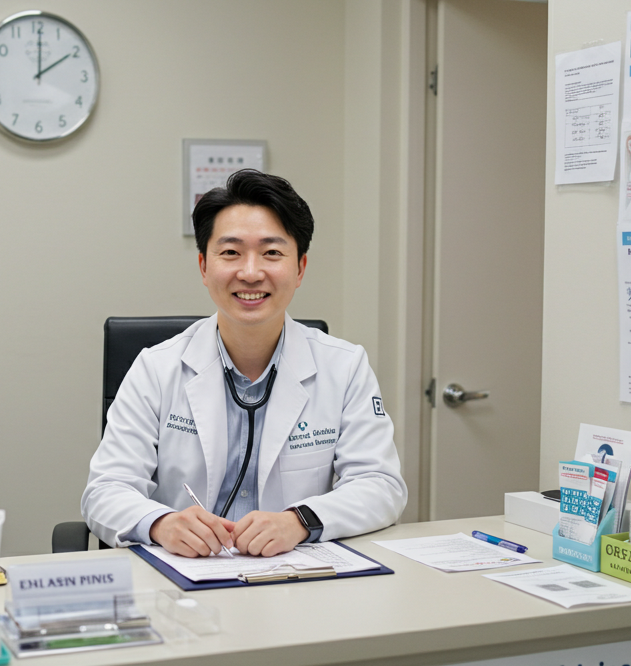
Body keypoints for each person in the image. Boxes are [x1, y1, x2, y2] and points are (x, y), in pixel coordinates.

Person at [81, 170, 407, 558]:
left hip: (295, 574)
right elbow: (105, 490)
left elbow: (380, 485)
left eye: (272, 253)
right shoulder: (156, 369)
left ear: (300, 268)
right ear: (204, 267)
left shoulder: (345, 367)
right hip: (184, 571)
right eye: (231, 253)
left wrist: (300, 521)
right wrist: (162, 523)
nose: (250, 273)